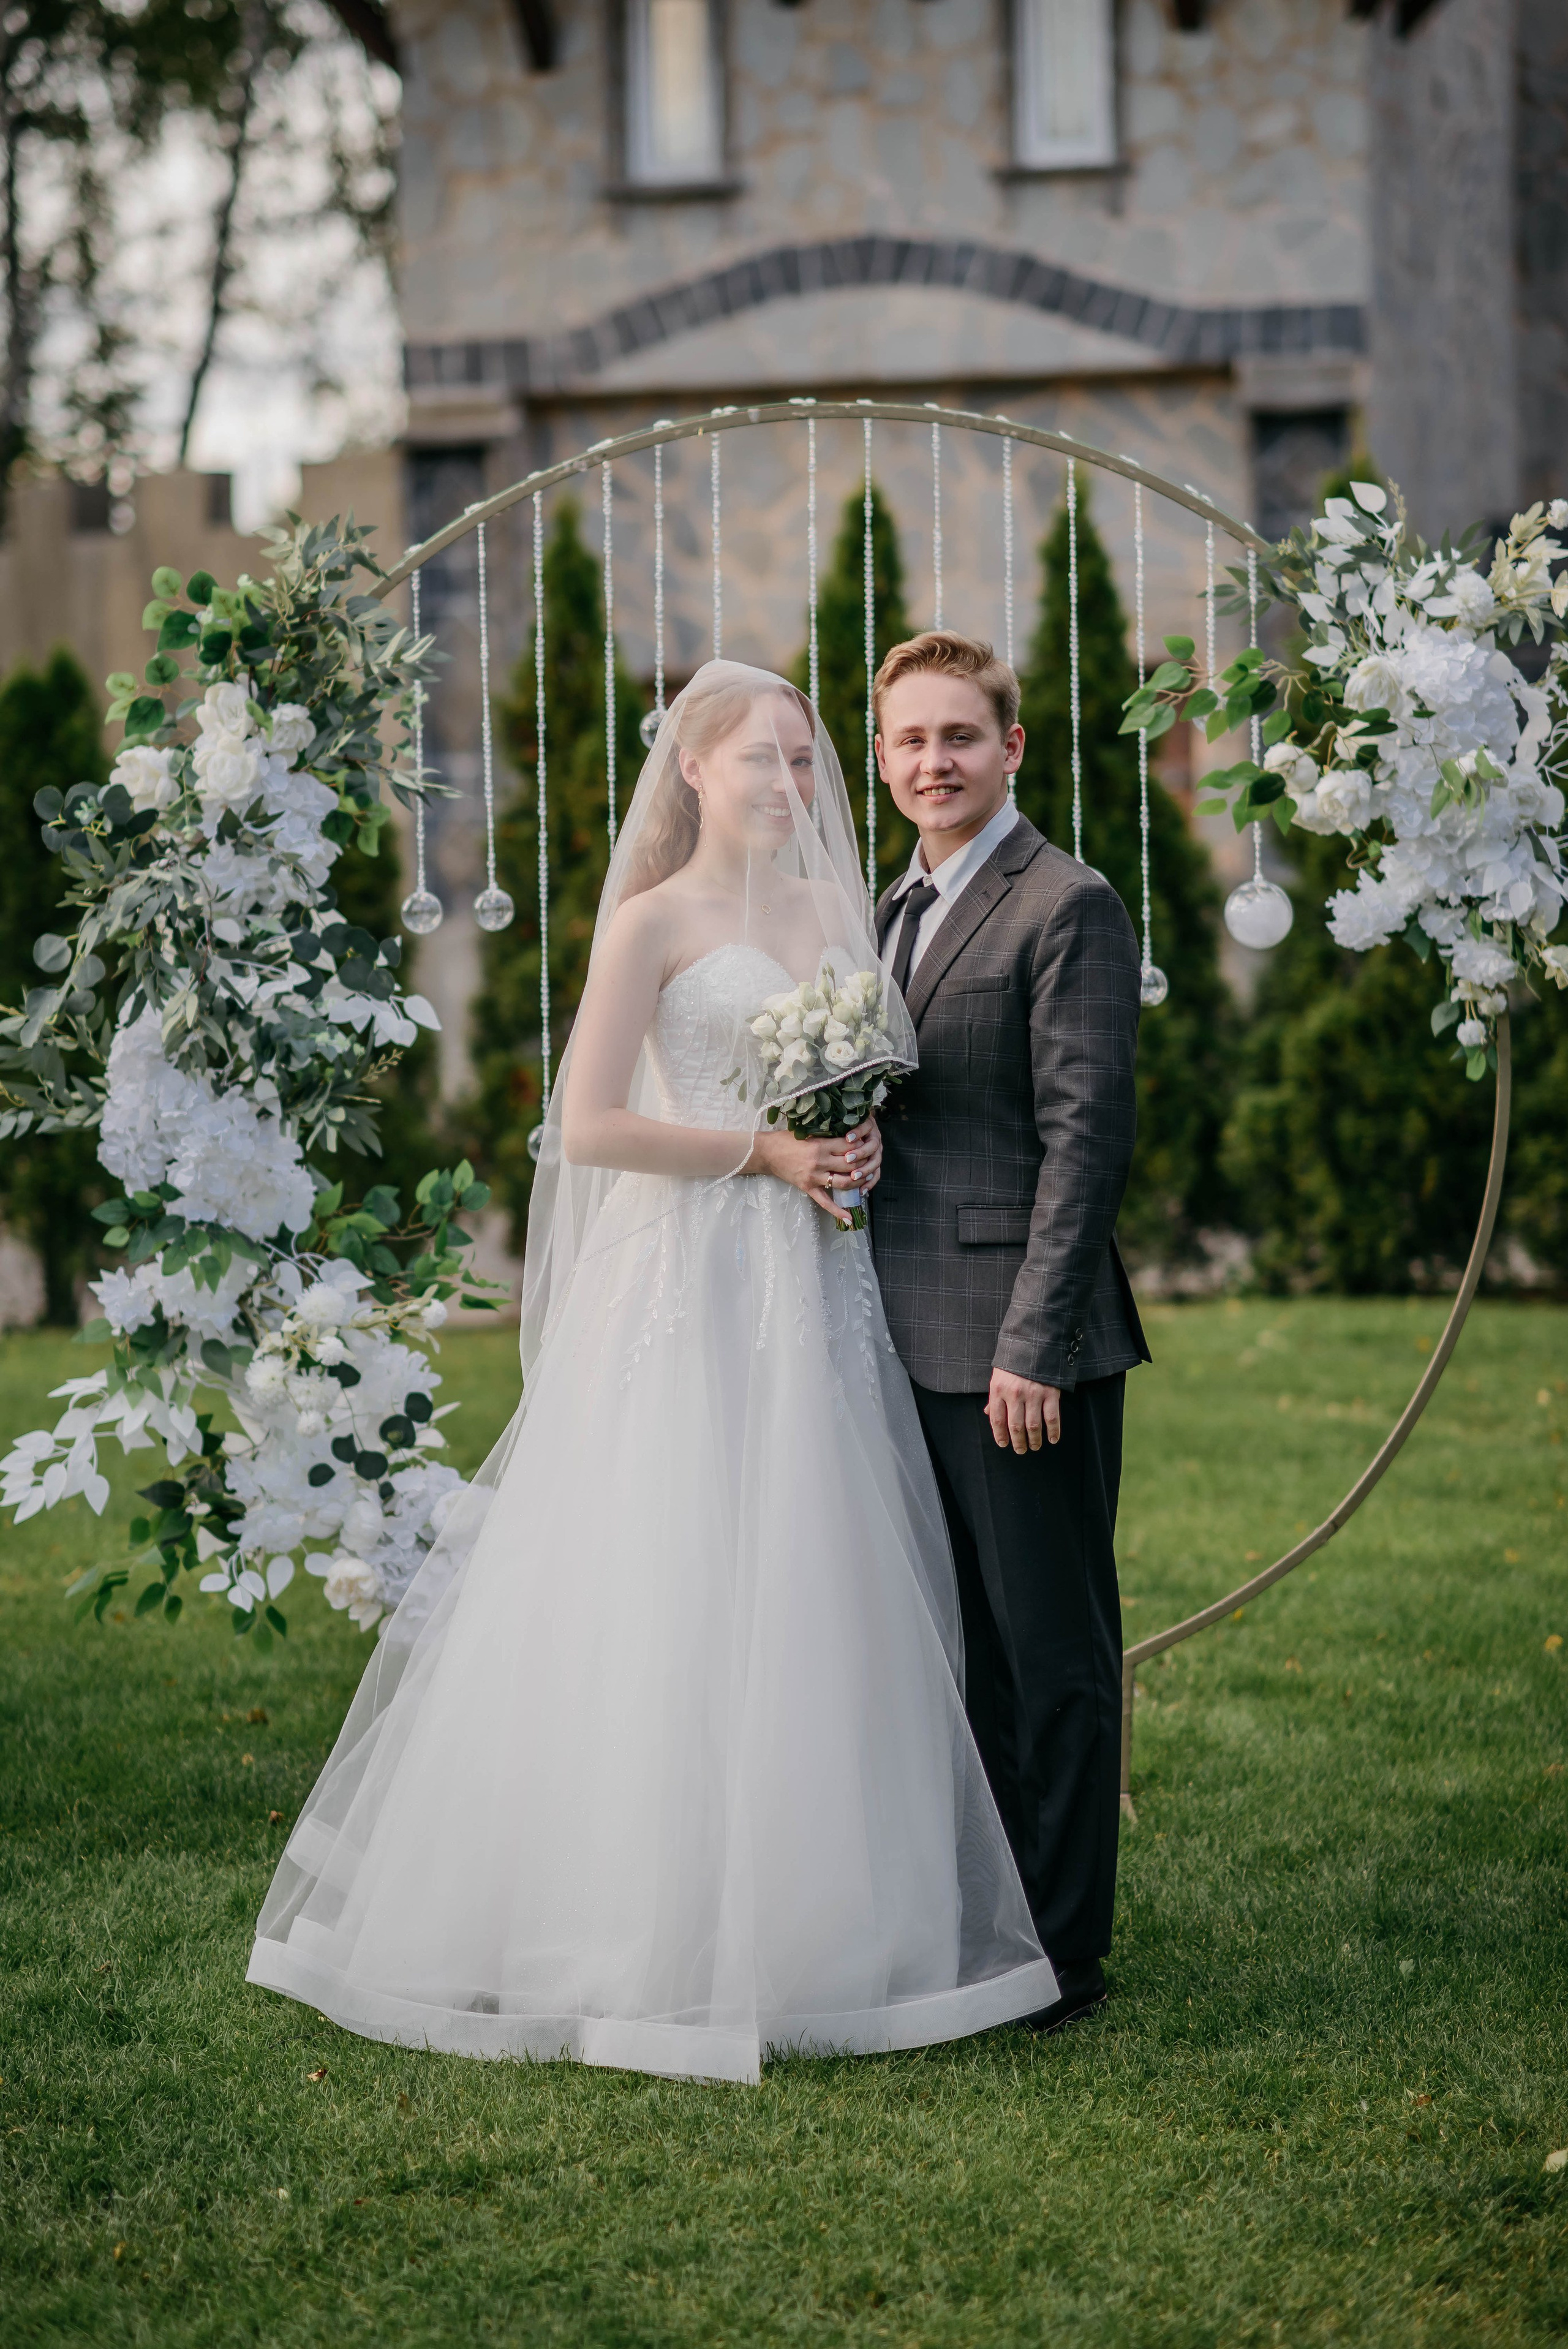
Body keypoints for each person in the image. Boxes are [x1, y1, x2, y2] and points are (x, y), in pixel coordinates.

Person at [248, 661, 1058, 2086]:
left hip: (817, 1283)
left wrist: (850, 1140)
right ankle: (626, 1921)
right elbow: (590, 1126)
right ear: (691, 769)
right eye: (760, 761)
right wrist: (765, 1152)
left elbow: (863, 1077)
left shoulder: (839, 913)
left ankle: (825, 1922)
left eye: (804, 761)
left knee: (815, 1568)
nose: (788, 786)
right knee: (670, 1568)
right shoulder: (652, 920)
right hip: (689, 1276)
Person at [870, 630, 1150, 2034]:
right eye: (910, 740)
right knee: (961, 1655)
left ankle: (1063, 1956)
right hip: (893, 1335)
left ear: (1011, 747)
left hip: (1015, 1350)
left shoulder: (1066, 903)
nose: (935, 762)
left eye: (959, 736)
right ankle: (991, 1928)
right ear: (881, 759)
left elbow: (1084, 1141)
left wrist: (1031, 1343)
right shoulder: (885, 908)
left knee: (1050, 1654)